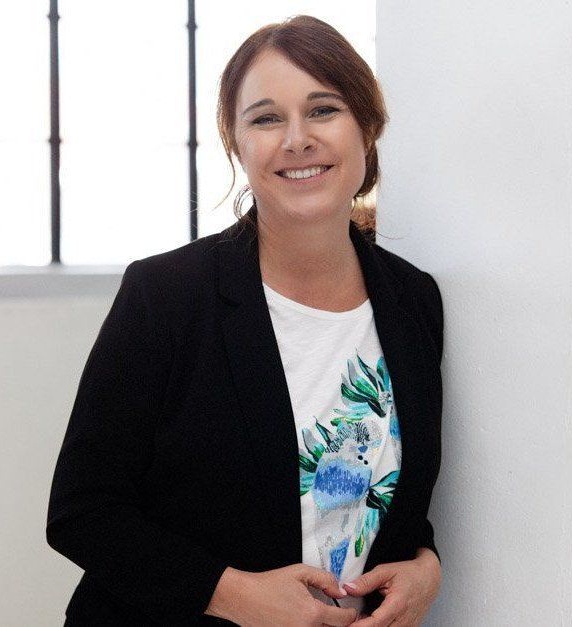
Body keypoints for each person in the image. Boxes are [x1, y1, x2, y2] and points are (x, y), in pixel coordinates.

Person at [46, 15, 444, 626]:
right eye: (265, 119)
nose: (297, 139)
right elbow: (82, 511)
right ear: (236, 145)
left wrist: (426, 565)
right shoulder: (166, 295)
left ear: (367, 129)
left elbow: (388, 494)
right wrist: (233, 595)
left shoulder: (414, 300)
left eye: (323, 110)